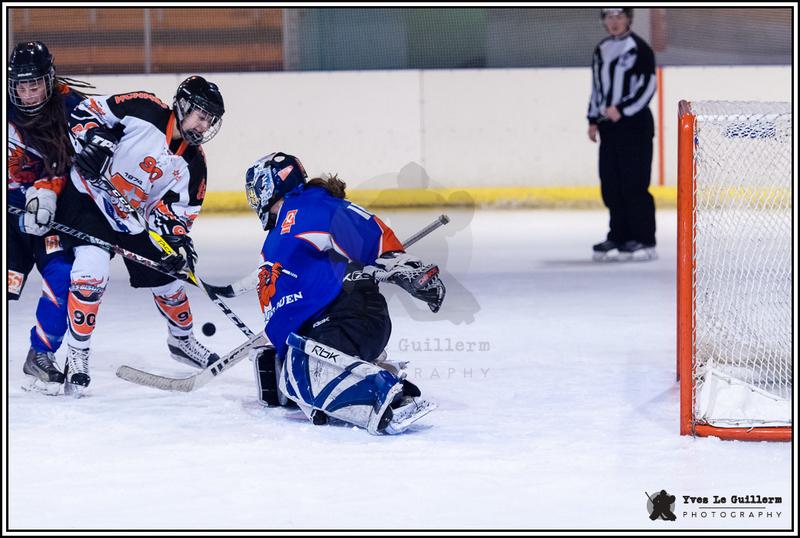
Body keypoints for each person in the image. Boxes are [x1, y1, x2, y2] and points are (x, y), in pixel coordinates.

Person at [243, 152, 444, 434]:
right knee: (287, 378)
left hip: (348, 316)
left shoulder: (306, 206)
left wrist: (402, 265)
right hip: (324, 325)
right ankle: (367, 370)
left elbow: (358, 225)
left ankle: (390, 395)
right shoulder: (279, 232)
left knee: (302, 372)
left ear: (269, 184)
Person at [53, 76, 225, 396]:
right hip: (89, 200)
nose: (204, 127)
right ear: (184, 105)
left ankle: (182, 341)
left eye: (210, 121)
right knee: (91, 273)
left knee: (171, 277)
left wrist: (175, 240)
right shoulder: (143, 107)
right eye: (201, 116)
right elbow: (85, 112)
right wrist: (95, 141)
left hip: (132, 219)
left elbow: (179, 213)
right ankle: (77, 355)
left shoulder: (194, 163)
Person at [7, 41, 93, 394]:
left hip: (47, 211)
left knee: (62, 273)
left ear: (50, 79)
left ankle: (41, 354)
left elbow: (86, 152)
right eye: (21, 86)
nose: (28, 94)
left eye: (35, 85)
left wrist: (49, 191)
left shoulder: (71, 106)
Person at [587, 8, 657, 261]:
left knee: (634, 184)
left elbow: (649, 85)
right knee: (612, 184)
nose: (614, 21)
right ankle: (618, 235)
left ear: (628, 18)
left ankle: (644, 239)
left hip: (635, 126)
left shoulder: (639, 48)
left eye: (619, 16)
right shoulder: (601, 49)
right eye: (609, 16)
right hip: (609, 128)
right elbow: (597, 88)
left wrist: (624, 110)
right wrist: (593, 120)